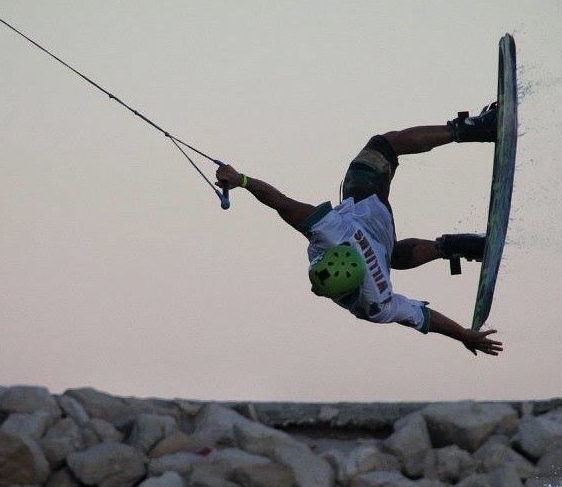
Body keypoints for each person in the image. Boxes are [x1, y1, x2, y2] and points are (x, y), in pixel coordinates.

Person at [214, 105, 505, 356]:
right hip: (368, 201)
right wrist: (240, 179)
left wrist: (463, 335)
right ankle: (474, 129)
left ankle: (460, 247)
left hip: (381, 237)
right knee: (384, 146)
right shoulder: (329, 235)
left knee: (388, 257)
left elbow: (423, 318)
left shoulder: (374, 304)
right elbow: (280, 202)